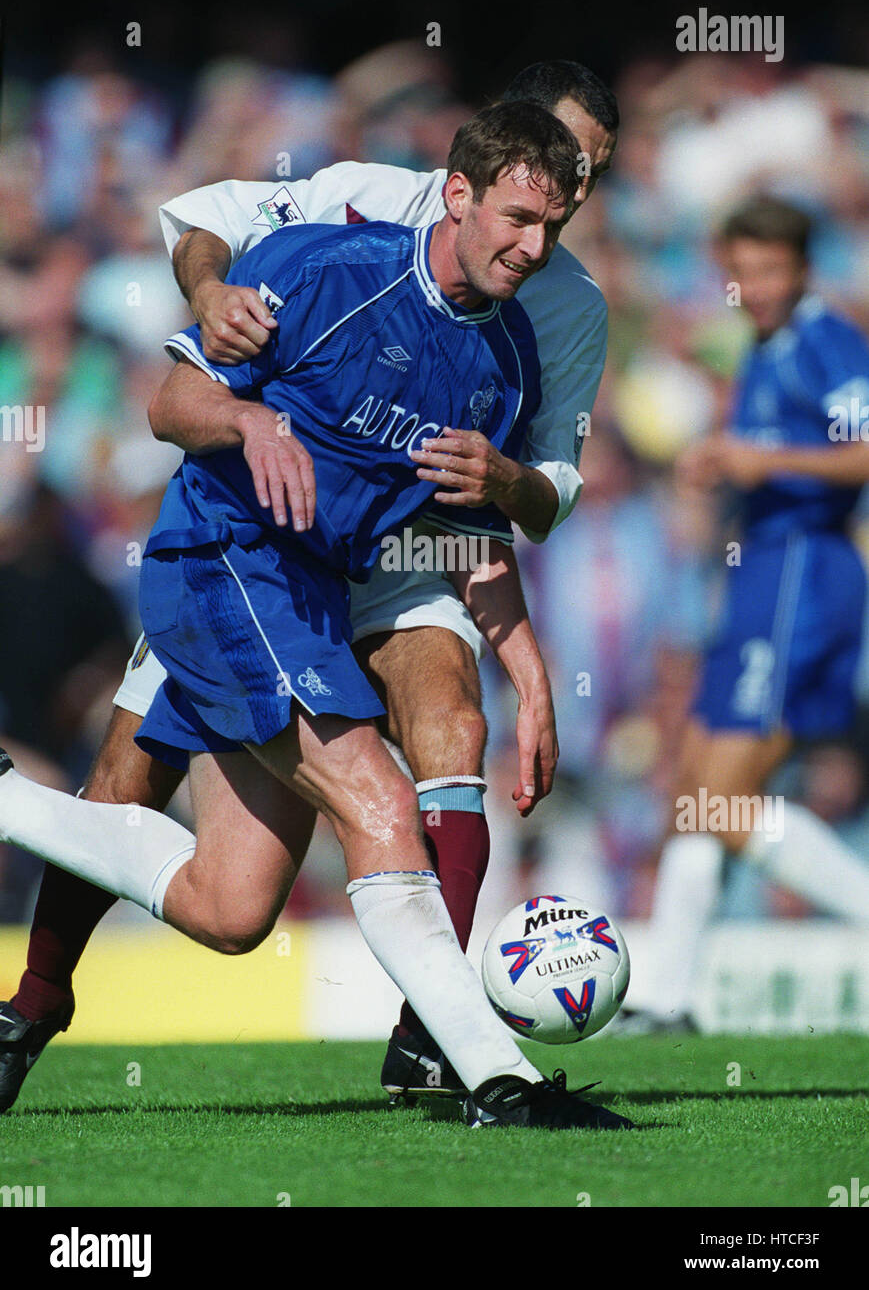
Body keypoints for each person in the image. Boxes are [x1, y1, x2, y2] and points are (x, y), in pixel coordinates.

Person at [0, 102, 632, 1130]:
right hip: (221, 562)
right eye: (518, 218)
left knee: (231, 905)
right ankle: (496, 1078)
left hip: (315, 598)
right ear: (458, 192)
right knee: (376, 803)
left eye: (552, 229)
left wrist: (526, 673)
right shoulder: (324, 263)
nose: (534, 247)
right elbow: (170, 405)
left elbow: (463, 530)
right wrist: (251, 419)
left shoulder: (504, 360)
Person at [620, 196, 869, 1033]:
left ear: (802, 267)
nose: (752, 286)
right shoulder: (759, 349)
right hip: (759, 574)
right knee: (695, 787)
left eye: (769, 269)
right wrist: (719, 470)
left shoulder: (826, 340)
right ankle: (668, 997)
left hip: (806, 571)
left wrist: (762, 459)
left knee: (721, 793)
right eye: (740, 270)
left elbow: (864, 450)